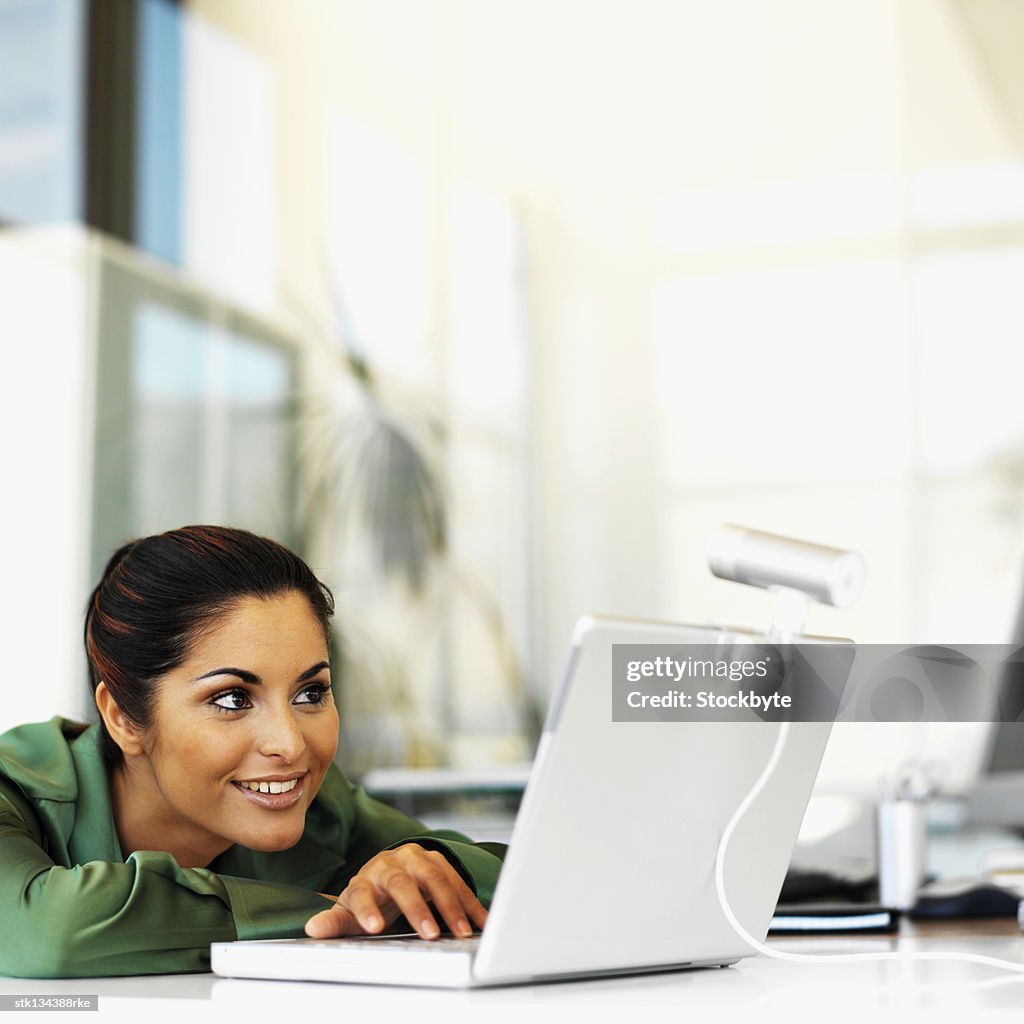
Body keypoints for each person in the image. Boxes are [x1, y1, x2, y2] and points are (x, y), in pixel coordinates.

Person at [0, 525, 505, 978]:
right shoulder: (12, 792)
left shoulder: (322, 807)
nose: (288, 744)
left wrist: (433, 867)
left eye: (310, 693)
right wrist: (331, 910)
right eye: (233, 699)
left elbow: (526, 878)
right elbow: (49, 931)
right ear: (123, 717)